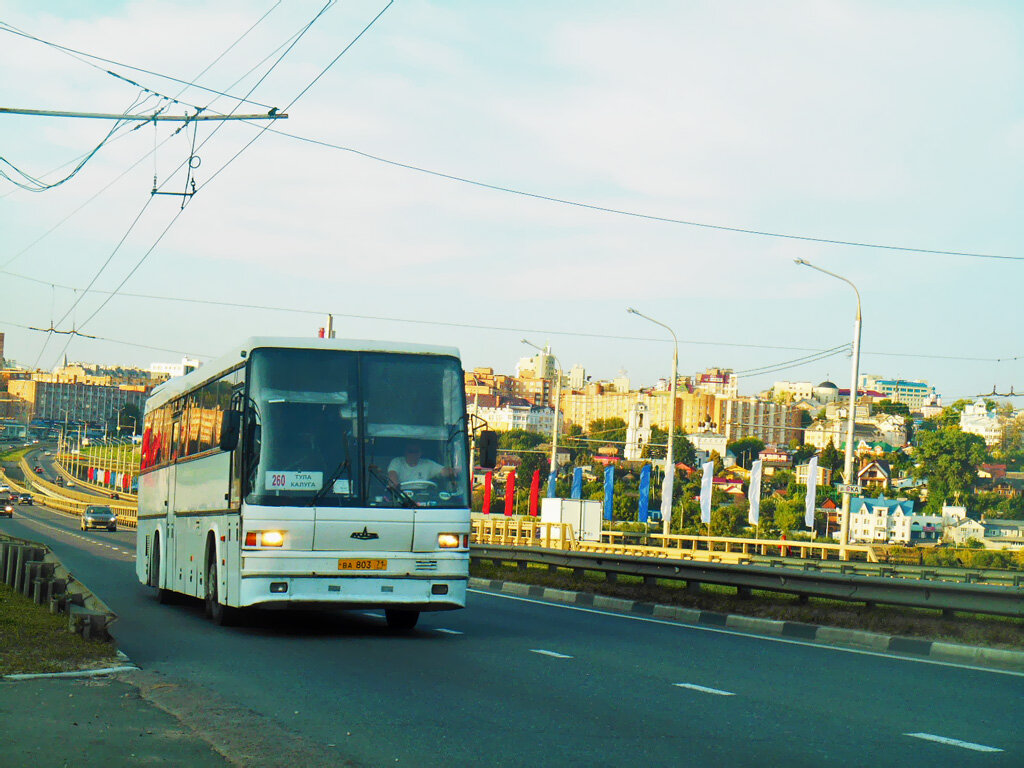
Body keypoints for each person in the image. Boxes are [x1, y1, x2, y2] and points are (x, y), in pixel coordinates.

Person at [387, 442, 455, 487]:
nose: (413, 454)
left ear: (420, 453)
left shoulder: (427, 464)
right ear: (405, 452)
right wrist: (394, 485)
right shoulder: (397, 462)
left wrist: (456, 470)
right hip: (402, 497)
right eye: (410, 451)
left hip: (424, 499)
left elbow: (443, 471)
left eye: (416, 451)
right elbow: (392, 477)